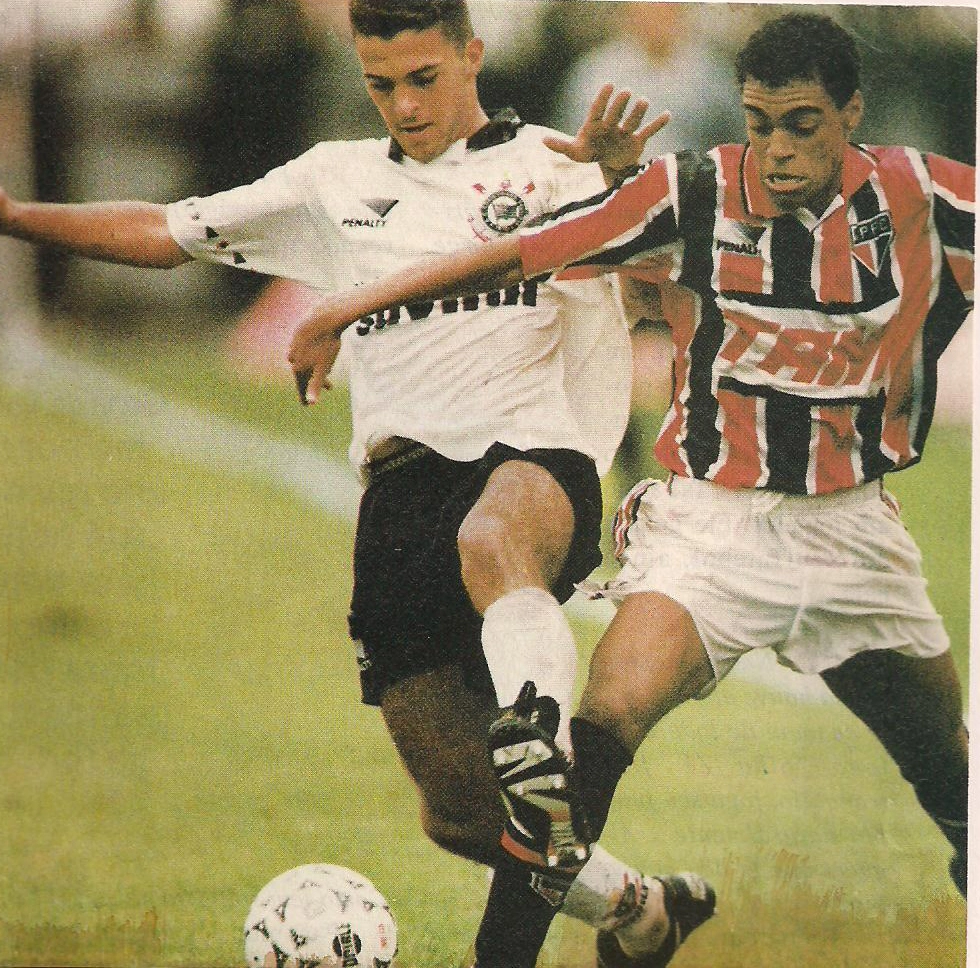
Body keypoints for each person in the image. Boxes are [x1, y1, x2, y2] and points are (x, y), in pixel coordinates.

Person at [0, 2, 716, 965]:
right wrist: (15, 219)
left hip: (533, 459)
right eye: (381, 84)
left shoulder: (558, 165)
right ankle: (639, 908)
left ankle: (536, 734)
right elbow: (167, 229)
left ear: (473, 55)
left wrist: (611, 175)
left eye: (424, 78)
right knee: (459, 817)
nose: (404, 103)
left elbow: (668, 249)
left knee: (493, 540)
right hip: (400, 495)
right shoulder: (331, 182)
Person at [286, 13, 972, 967]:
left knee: (957, 786)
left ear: (853, 114)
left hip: (859, 537)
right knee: (581, 752)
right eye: (759, 120)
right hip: (713, 533)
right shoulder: (694, 192)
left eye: (805, 124)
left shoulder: (932, 199)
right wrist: (351, 304)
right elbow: (522, 252)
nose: (776, 150)